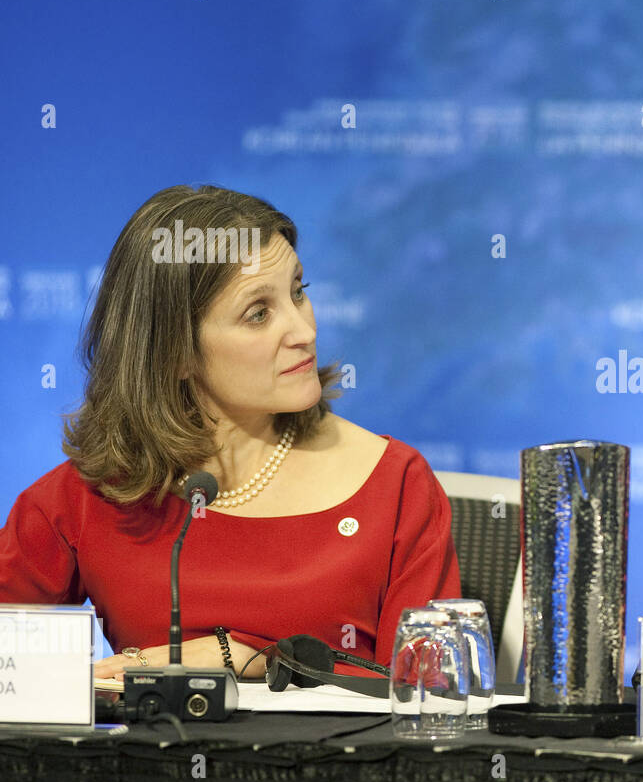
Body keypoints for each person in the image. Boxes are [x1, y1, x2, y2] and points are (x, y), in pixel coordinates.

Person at [0, 185, 460, 681]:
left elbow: (431, 693)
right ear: (174, 353)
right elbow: (13, 673)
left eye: (298, 292)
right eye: (258, 313)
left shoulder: (396, 484)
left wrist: (256, 659)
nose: (304, 329)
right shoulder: (85, 499)